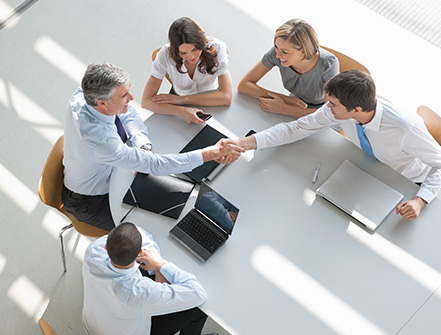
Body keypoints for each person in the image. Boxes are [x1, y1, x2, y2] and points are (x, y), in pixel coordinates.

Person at [232, 70, 441, 220]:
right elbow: (296, 128)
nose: (327, 107)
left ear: (357, 110)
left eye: (333, 104)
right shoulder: (339, 107)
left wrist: (420, 201)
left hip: (408, 182)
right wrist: (243, 143)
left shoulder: (405, 128)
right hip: (366, 169)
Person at [62, 63, 244, 231]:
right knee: (149, 233)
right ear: (102, 103)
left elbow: (128, 113)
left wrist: (143, 145)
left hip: (107, 170)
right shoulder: (100, 141)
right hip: (92, 200)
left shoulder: (84, 94)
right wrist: (209, 154)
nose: (131, 98)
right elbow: (155, 164)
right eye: (124, 95)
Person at [82, 222, 216, 335]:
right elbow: (199, 294)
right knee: (198, 309)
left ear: (106, 247)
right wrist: (161, 264)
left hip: (94, 326)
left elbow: (136, 229)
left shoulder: (93, 251)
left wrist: (157, 270)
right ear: (140, 252)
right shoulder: (139, 293)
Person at [237, 18, 339, 118]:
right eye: (276, 47)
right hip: (293, 104)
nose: (277, 55)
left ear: (303, 51)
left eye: (285, 52)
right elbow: (244, 85)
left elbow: (329, 113)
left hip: (323, 114)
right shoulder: (277, 52)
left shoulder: (328, 64)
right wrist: (285, 99)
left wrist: (284, 108)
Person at [141, 17, 232, 125]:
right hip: (178, 100)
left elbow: (226, 97)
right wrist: (181, 110)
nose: (191, 56)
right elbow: (146, 102)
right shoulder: (165, 54)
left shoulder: (218, 47)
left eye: (195, 49)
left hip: (212, 98)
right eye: (183, 53)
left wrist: (183, 100)